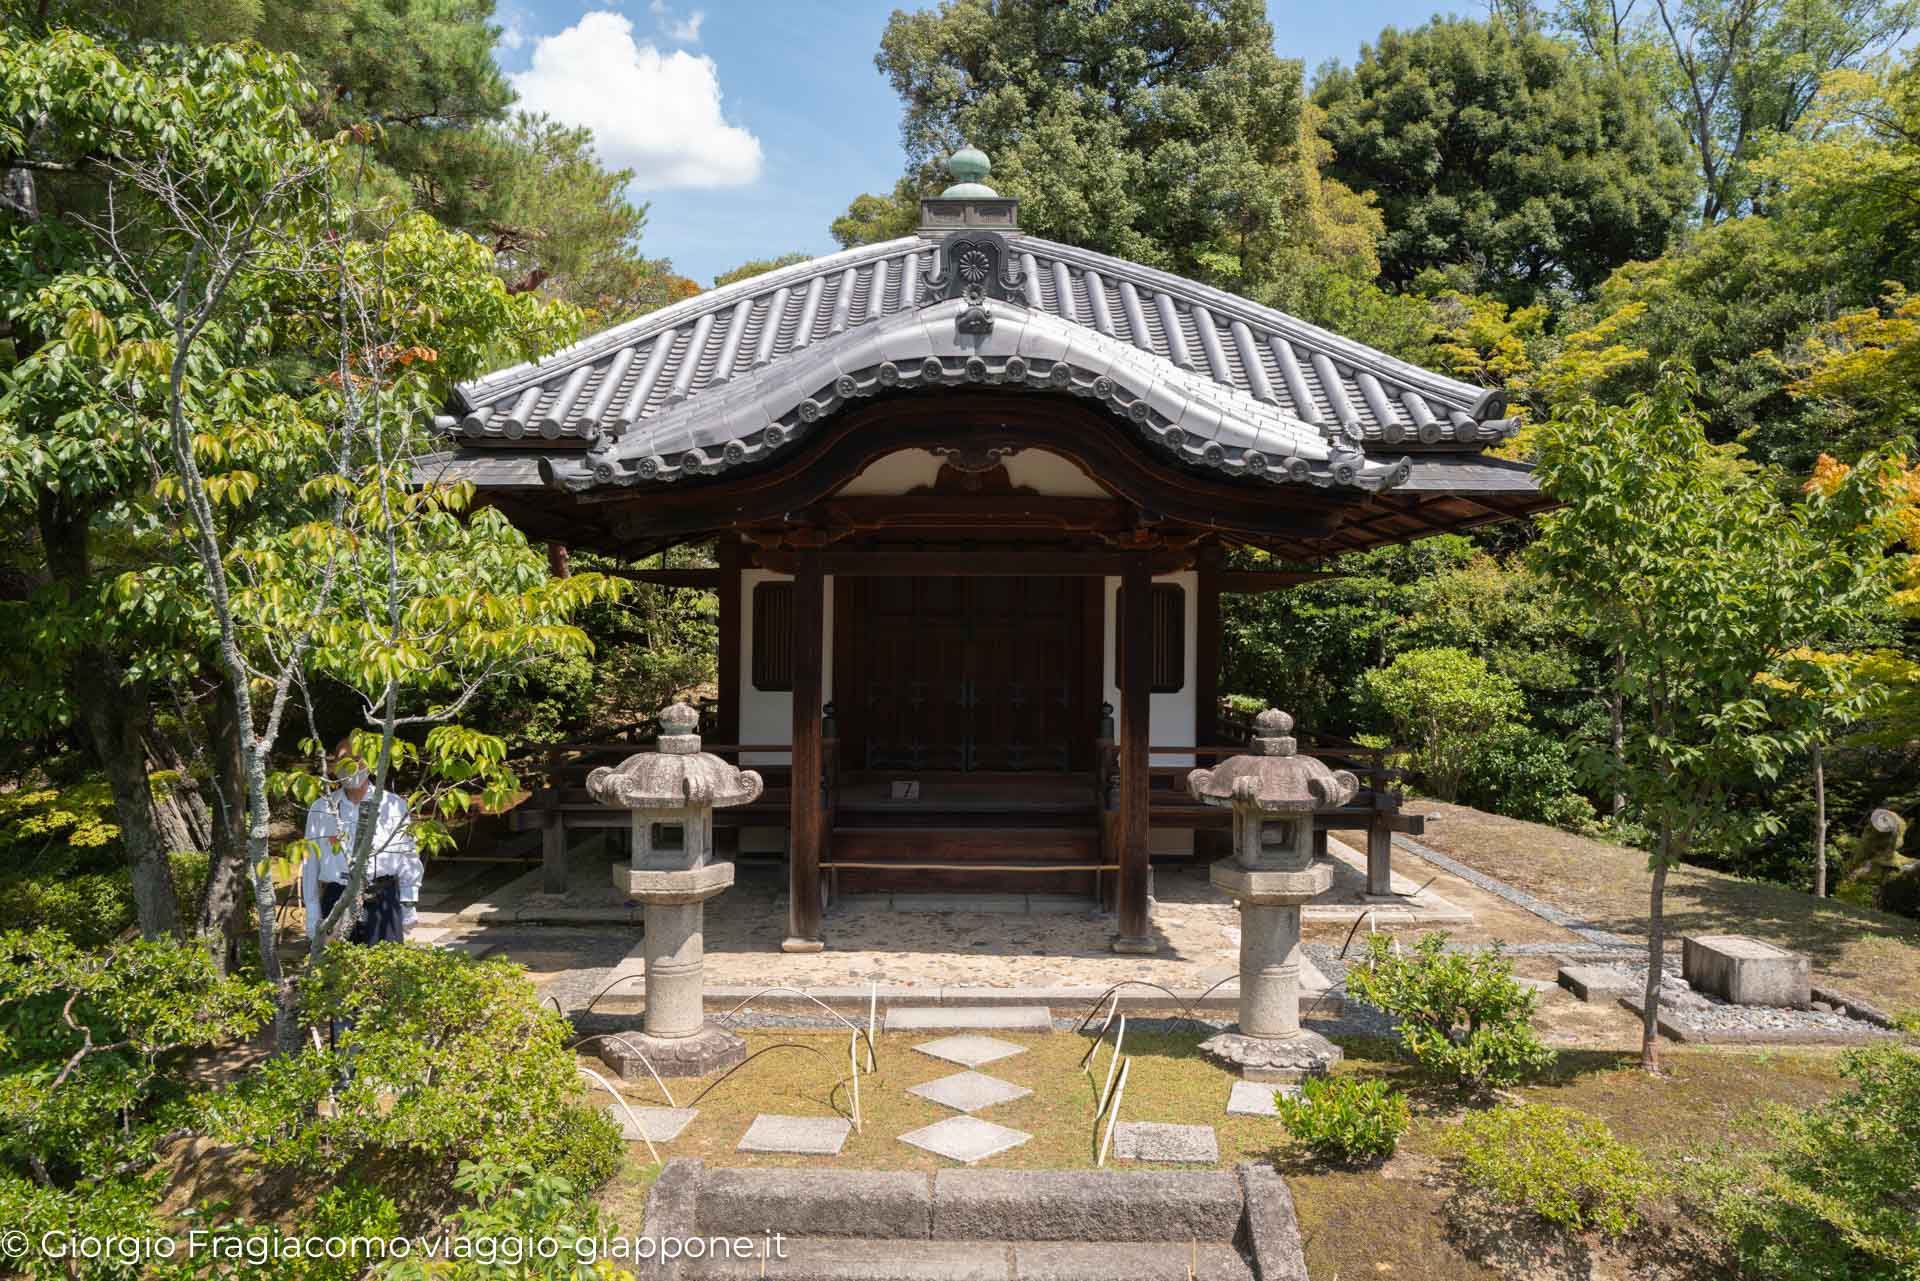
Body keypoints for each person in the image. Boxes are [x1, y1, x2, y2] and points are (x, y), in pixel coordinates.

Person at [300, 736, 423, 946]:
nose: (350, 765)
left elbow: (408, 857)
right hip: (337, 898)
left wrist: (408, 904)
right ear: (334, 764)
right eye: (343, 758)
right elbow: (310, 864)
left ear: (370, 762)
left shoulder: (393, 805)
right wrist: (313, 914)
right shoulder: (322, 808)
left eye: (357, 758)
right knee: (337, 971)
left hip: (382, 898)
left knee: (384, 971)